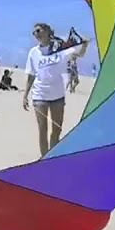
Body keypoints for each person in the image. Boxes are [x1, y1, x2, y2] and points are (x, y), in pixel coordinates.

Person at [23, 23, 90, 156]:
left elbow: (79, 54)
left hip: (58, 96)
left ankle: (52, 156)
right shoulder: (33, 52)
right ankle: (44, 159)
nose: (36, 34)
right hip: (40, 95)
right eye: (34, 33)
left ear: (48, 31)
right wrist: (25, 95)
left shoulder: (60, 48)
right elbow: (31, 75)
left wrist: (85, 45)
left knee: (57, 129)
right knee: (43, 129)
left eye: (38, 31)